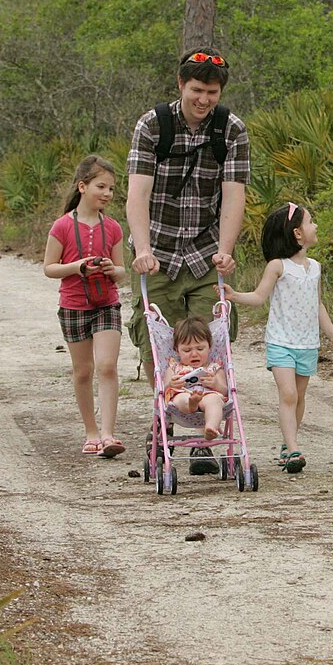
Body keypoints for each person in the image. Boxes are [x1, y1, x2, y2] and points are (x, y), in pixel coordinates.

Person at [126, 47, 250, 475]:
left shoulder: (231, 130)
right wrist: (142, 249)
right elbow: (137, 192)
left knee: (211, 340)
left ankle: (206, 433)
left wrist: (226, 248)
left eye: (211, 92)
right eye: (197, 90)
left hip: (203, 251)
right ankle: (166, 419)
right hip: (156, 251)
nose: (204, 100)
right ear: (181, 85)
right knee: (155, 340)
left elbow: (235, 194)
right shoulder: (152, 125)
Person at [225, 203, 333, 474]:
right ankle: (294, 449)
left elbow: (318, 305)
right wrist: (234, 296)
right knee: (289, 394)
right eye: (311, 222)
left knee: (300, 396)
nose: (315, 226)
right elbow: (259, 297)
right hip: (281, 341)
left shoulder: (315, 267)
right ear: (297, 233)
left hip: (307, 343)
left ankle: (287, 443)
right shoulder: (277, 266)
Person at [43, 155, 127, 459]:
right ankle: (91, 431)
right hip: (74, 305)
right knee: (83, 371)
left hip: (107, 303)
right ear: (82, 186)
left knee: (107, 366)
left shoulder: (114, 228)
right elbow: (49, 268)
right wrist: (77, 266)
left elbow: (122, 270)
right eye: (101, 186)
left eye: (111, 189)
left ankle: (108, 434)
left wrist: (110, 270)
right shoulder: (62, 226)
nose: (107, 193)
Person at [164, 316, 228, 441]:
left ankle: (211, 427)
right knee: (181, 399)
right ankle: (192, 404)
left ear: (209, 347)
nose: (194, 354)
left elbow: (225, 390)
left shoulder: (214, 367)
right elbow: (164, 389)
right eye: (187, 350)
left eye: (200, 349)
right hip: (184, 394)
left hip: (207, 395)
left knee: (214, 401)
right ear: (177, 351)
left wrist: (215, 383)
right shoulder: (174, 367)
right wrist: (172, 384)